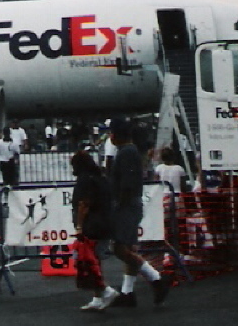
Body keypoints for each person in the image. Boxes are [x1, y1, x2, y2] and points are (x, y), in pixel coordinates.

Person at [107, 118, 171, 308]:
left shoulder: (126, 153)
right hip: (131, 204)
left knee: (119, 248)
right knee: (130, 248)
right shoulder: (129, 151)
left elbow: (126, 184)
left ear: (115, 135)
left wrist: (118, 205)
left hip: (127, 206)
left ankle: (157, 280)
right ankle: (128, 292)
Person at [70, 150, 119, 311]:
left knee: (90, 261)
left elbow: (84, 204)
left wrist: (79, 226)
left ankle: (105, 290)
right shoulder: (100, 178)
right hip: (105, 223)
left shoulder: (84, 180)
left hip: (93, 225)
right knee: (95, 260)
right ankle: (98, 296)